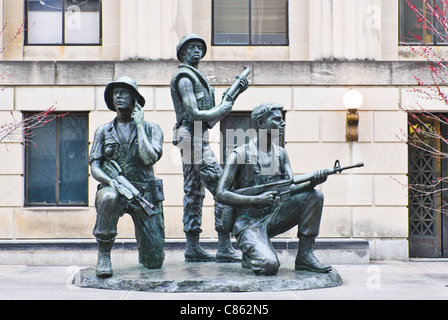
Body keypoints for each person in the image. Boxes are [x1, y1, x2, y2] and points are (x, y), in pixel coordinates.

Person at [216, 102, 332, 276]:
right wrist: (255, 200)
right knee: (268, 266)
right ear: (261, 123)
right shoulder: (240, 155)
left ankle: (305, 256)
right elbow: (221, 194)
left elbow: (290, 186)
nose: (283, 123)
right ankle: (253, 251)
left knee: (314, 196)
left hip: (275, 215)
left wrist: (312, 182)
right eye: (277, 120)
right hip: (249, 223)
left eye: (282, 119)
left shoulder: (281, 153)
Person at [170, 33, 248, 262]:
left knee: (193, 192)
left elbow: (210, 120)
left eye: (199, 47)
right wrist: (224, 107)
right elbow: (195, 114)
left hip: (196, 136)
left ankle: (192, 248)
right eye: (191, 47)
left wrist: (233, 96)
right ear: (182, 52)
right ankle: (224, 246)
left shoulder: (198, 79)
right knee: (222, 187)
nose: (196, 50)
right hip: (191, 137)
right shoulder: (185, 78)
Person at [90, 76, 165, 277]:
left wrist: (139, 126)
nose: (118, 96)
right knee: (108, 198)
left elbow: (149, 159)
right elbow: (95, 166)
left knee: (154, 262)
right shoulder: (103, 131)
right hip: (114, 186)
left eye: (123, 92)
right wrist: (109, 181)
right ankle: (104, 255)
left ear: (135, 99)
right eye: (115, 93)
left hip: (145, 193)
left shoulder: (152, 129)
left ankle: (148, 250)